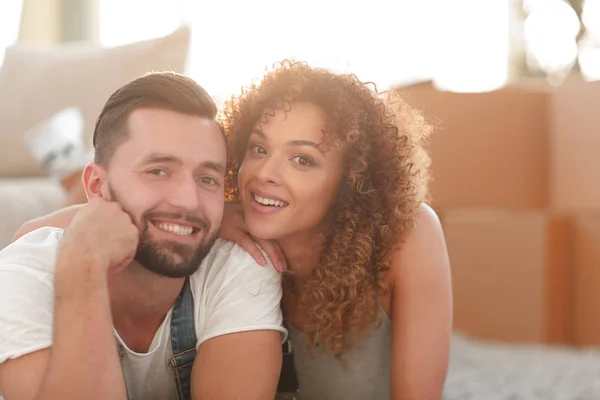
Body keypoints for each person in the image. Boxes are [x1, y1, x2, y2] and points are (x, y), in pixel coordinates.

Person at [13, 60, 453, 400]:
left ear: (352, 179)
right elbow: (33, 235)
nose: (265, 173)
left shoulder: (407, 235)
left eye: (303, 159)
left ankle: (67, 163)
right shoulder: (225, 225)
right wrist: (214, 214)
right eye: (258, 148)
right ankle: (72, 169)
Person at [0, 72, 286, 400]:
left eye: (207, 179)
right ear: (95, 187)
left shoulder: (237, 266)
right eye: (158, 171)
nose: (188, 201)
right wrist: (82, 272)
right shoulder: (23, 276)